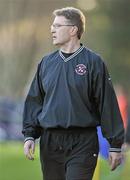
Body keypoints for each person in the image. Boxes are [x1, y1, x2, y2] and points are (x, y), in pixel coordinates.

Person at [22, 7, 124, 180]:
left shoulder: (94, 62)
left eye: (57, 25)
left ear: (73, 30)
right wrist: (29, 135)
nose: (52, 29)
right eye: (52, 26)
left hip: (83, 142)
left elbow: (107, 104)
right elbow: (34, 101)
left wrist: (115, 145)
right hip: (50, 142)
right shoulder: (46, 63)